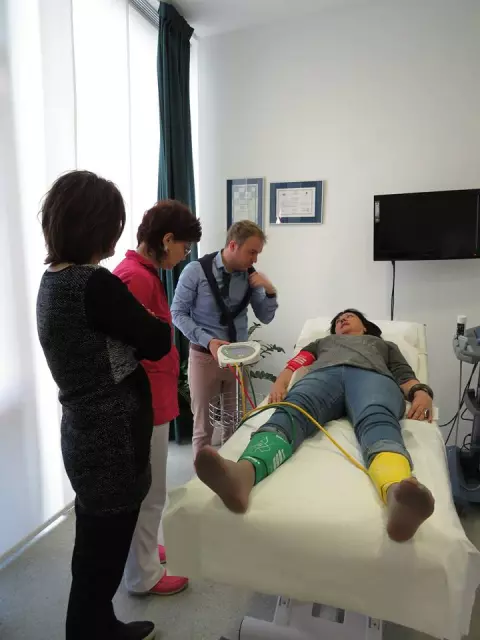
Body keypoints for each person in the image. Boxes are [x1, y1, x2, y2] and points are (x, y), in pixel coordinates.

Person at [37, 170, 172, 640]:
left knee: (94, 547)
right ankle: (90, 630)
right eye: (114, 223)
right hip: (113, 440)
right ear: (95, 226)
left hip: (84, 433)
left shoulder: (52, 281)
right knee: (102, 554)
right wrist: (150, 323)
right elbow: (157, 340)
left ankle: (98, 625)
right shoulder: (95, 285)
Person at [195, 309, 436, 543]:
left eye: (350, 316)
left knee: (377, 418)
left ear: (365, 326)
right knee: (293, 410)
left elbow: (404, 374)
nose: (343, 319)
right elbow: (295, 364)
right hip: (323, 376)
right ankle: (243, 474)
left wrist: (421, 393)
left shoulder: (383, 345)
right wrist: (280, 384)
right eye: (338, 319)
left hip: (372, 378)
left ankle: (397, 495)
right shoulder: (322, 343)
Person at [113, 200, 201, 596]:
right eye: (184, 247)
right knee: (149, 493)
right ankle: (143, 576)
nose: (184, 256)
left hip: (154, 398)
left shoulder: (145, 274)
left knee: (151, 489)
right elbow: (125, 350)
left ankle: (144, 553)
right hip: (143, 403)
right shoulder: (135, 278)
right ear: (167, 239)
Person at [171, 220, 279, 457]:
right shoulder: (195, 271)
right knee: (203, 429)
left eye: (258, 253)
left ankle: (229, 474)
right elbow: (177, 313)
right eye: (251, 252)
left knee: (235, 425)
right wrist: (208, 341)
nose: (255, 259)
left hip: (238, 360)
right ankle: (202, 478)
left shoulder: (250, 277)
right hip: (204, 358)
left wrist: (270, 291)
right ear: (233, 245)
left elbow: (265, 316)